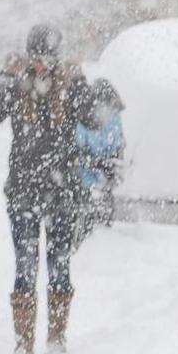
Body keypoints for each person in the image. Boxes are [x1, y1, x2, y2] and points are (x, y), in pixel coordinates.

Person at [0, 24, 95, 354]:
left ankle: (57, 337)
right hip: (24, 193)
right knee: (25, 267)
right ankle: (23, 345)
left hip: (61, 194)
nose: (42, 65)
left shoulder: (69, 87)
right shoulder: (16, 85)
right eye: (37, 58)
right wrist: (4, 76)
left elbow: (93, 118)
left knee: (59, 265)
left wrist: (80, 80)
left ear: (57, 58)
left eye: (49, 58)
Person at [74, 78, 125, 244]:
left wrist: (113, 164)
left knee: (105, 226)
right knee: (86, 223)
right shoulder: (83, 121)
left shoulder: (114, 119)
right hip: (85, 181)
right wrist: (95, 163)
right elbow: (77, 151)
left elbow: (118, 145)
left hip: (105, 181)